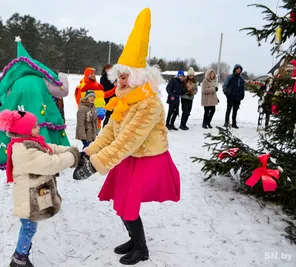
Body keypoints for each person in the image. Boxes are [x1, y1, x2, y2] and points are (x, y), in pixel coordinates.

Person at [72, 8, 180, 265]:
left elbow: (129, 140)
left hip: (146, 158)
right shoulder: (125, 100)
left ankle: (141, 249)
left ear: (138, 77)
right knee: (121, 202)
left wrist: (95, 165)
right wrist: (87, 152)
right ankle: (134, 239)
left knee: (129, 204)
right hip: (127, 156)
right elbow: (110, 132)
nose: (119, 81)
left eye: (124, 76)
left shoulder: (148, 104)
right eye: (118, 76)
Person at [0, 109, 80, 267]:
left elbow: (50, 148)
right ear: (24, 131)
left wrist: (68, 150)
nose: (38, 128)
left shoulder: (29, 142)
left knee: (29, 227)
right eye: (34, 126)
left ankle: (22, 253)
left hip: (31, 195)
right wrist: (72, 157)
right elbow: (50, 163)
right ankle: (19, 259)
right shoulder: (24, 151)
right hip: (28, 200)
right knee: (28, 228)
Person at [0, 38, 70, 170]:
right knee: (46, 152)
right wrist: (63, 76)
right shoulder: (41, 80)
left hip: (20, 130)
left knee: (21, 151)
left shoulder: (14, 84)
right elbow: (63, 91)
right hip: (41, 124)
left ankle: (22, 165)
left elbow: (5, 110)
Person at [223, 64, 245, 128]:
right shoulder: (230, 77)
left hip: (237, 97)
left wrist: (242, 94)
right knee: (228, 110)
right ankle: (226, 122)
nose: (238, 70)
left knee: (235, 111)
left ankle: (234, 123)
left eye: (239, 70)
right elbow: (225, 85)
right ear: (235, 69)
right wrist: (227, 93)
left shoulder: (241, 79)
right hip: (230, 96)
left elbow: (242, 87)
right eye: (237, 69)